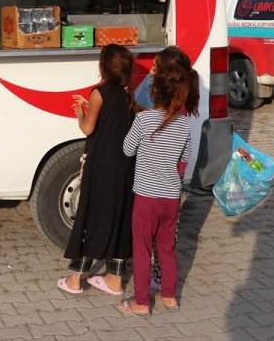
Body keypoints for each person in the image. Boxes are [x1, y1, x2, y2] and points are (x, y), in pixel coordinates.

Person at [117, 45, 199, 317]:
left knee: (142, 251)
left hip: (146, 198)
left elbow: (128, 150)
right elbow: (183, 161)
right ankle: (169, 296)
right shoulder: (184, 124)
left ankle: (141, 302)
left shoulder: (143, 119)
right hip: (171, 198)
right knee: (167, 249)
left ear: (154, 92)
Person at [58, 44, 138, 296]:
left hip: (101, 166)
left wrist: (81, 113)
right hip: (125, 165)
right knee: (119, 218)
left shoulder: (99, 93)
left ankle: (76, 278)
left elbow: (88, 129)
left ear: (103, 67)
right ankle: (115, 279)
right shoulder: (128, 94)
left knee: (91, 219)